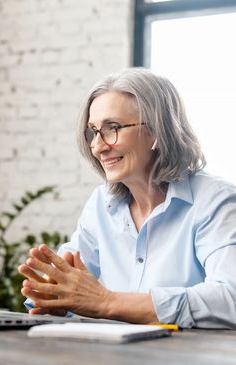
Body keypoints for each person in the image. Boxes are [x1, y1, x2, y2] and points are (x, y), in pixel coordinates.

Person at [18, 68, 236, 329]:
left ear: (156, 131)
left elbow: (229, 300)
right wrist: (52, 296)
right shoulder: (101, 205)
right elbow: (65, 290)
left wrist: (106, 302)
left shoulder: (215, 202)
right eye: (93, 132)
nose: (98, 146)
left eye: (113, 128)